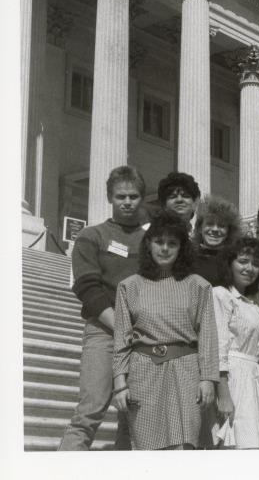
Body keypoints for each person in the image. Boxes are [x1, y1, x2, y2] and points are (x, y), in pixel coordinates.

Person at [112, 211, 219, 450]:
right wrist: (120, 384)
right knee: (148, 450)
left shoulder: (198, 286)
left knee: (185, 447)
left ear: (182, 248)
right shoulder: (129, 287)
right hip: (143, 373)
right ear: (148, 244)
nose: (165, 248)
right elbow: (122, 340)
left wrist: (208, 379)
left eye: (173, 243)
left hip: (186, 372)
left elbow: (208, 337)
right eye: (159, 241)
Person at [59, 166, 147, 451]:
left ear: (142, 198)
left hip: (143, 335)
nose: (127, 202)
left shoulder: (153, 241)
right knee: (89, 411)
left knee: (133, 418)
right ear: (110, 196)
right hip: (103, 332)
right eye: (120, 196)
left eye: (133, 196)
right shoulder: (92, 235)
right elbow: (87, 288)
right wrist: (120, 325)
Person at [211, 237, 259, 449]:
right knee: (237, 448)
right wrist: (224, 395)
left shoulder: (256, 302)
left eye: (255, 264)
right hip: (234, 380)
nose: (249, 268)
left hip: (255, 381)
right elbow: (218, 347)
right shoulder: (221, 295)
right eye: (243, 261)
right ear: (230, 263)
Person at [191, 195, 242, 286]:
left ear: (229, 231)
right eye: (209, 223)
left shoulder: (235, 260)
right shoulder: (189, 259)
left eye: (221, 225)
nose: (215, 229)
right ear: (199, 228)